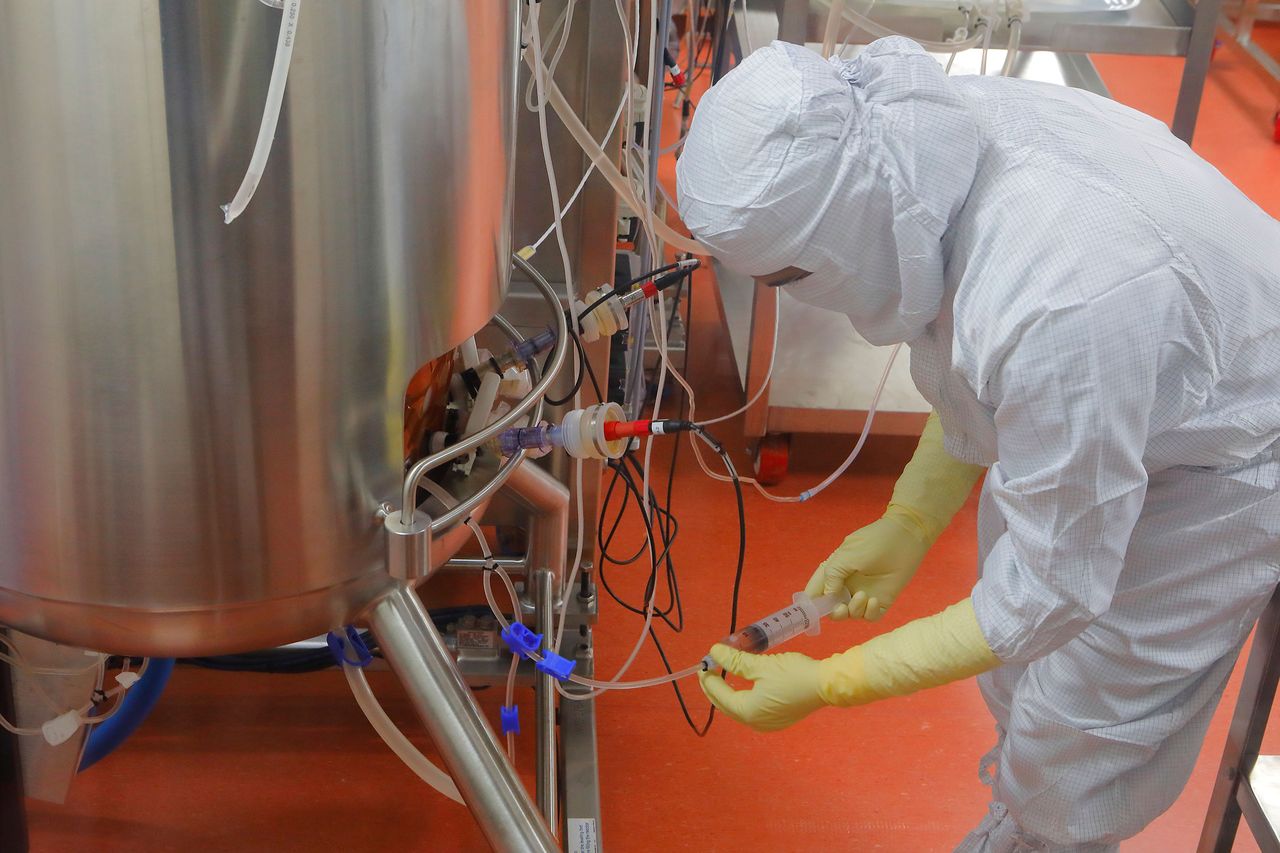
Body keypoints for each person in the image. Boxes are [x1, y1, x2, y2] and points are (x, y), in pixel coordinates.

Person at [676, 36, 1280, 852]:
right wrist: (913, 518)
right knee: (1017, 662)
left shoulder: (1060, 299)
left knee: (1086, 718)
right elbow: (981, 367)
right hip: (1133, 372)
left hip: (1235, 447)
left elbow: (1051, 590)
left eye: (786, 277)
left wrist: (834, 681)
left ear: (836, 238)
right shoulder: (920, 149)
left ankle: (1049, 836)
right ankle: (1023, 816)